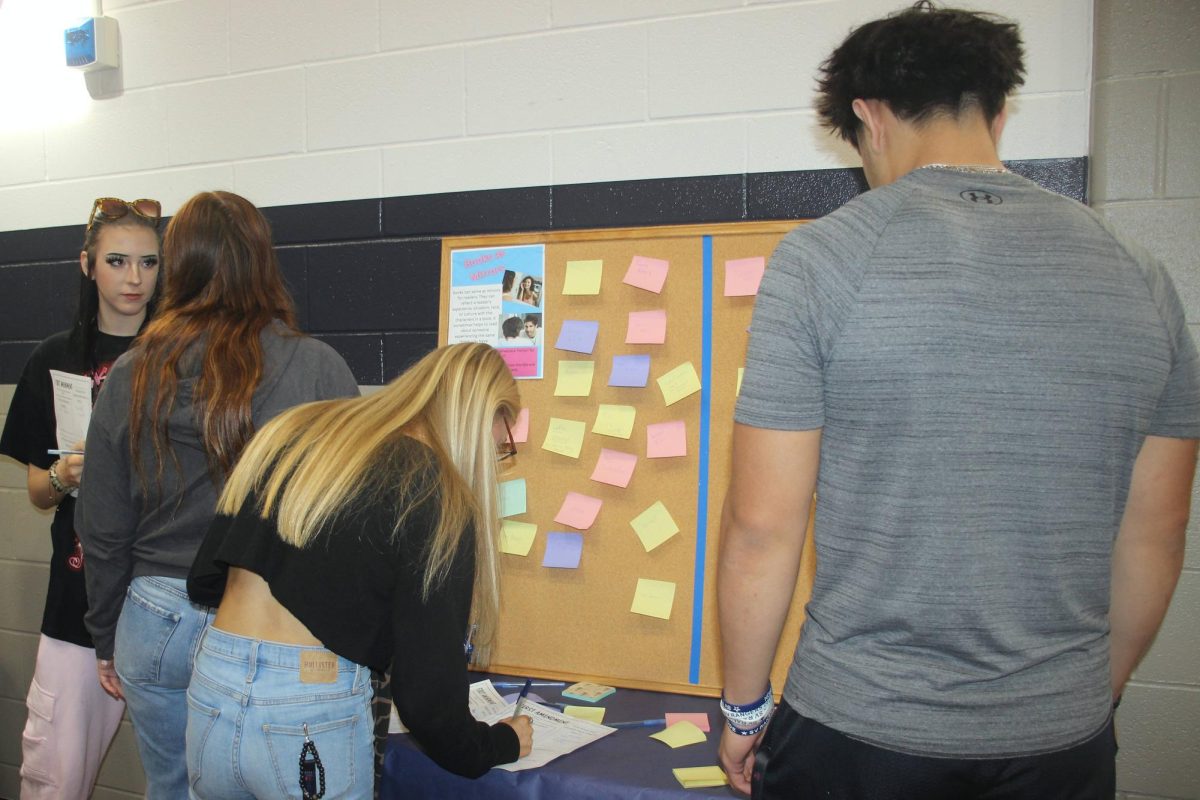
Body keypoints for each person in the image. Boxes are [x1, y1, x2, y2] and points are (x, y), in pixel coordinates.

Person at [716, 3, 1200, 798]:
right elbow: (1159, 530)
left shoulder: (821, 261)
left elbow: (761, 529)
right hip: (1059, 739)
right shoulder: (1141, 275)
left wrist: (743, 710)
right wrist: (1085, 693)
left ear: (868, 116)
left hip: (858, 731)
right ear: (999, 111)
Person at [75, 190, 359, 799]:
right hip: (265, 615)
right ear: (263, 259)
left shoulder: (134, 370)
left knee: (173, 788)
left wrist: (106, 632)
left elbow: (100, 522)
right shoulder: (316, 368)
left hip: (153, 616)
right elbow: (348, 515)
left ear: (179, 265)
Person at [185, 342, 532, 797]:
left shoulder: (296, 427)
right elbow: (427, 701)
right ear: (482, 419)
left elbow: (205, 578)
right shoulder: (434, 489)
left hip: (213, 682)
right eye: (501, 447)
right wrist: (496, 743)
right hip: (308, 704)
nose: (494, 459)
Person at [0, 197, 161, 799]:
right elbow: (39, 493)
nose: (134, 278)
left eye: (148, 263)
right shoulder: (55, 359)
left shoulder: (181, 358)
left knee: (188, 777)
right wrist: (68, 476)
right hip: (78, 600)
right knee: (56, 778)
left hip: (166, 599)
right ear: (88, 264)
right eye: (117, 261)